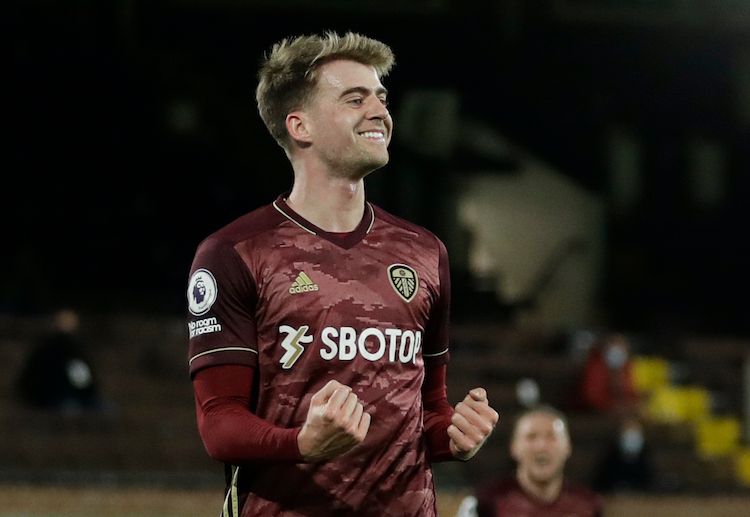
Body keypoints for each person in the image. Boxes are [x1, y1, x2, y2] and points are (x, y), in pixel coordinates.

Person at [186, 31, 499, 516]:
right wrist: (301, 443)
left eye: (381, 97)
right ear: (300, 126)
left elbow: (429, 409)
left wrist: (455, 436)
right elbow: (219, 423)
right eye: (355, 99)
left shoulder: (425, 252)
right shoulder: (235, 253)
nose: (380, 111)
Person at [457, 405, 602, 517]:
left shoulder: (588, 504)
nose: (541, 446)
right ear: (514, 447)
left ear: (568, 447)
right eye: (531, 437)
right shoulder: (486, 502)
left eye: (551, 437)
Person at [574, 332, 640, 414]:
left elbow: (630, 392)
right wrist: (612, 406)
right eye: (614, 347)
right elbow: (591, 397)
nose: (617, 352)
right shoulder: (595, 366)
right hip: (593, 413)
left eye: (621, 347)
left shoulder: (626, 368)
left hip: (617, 411)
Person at [593, 415, 654, 493]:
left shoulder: (645, 460)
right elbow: (601, 484)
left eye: (634, 433)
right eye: (628, 433)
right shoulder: (610, 460)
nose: (631, 438)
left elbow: (650, 485)